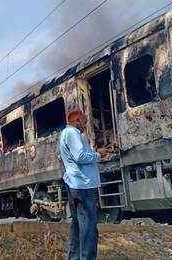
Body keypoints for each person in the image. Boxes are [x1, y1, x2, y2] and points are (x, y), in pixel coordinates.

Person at [58, 109, 110, 260]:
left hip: (76, 184)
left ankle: (74, 258)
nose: (86, 125)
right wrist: (99, 154)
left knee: (78, 226)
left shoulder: (66, 134)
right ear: (77, 121)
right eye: (85, 122)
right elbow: (80, 156)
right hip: (83, 186)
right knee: (88, 227)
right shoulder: (72, 133)